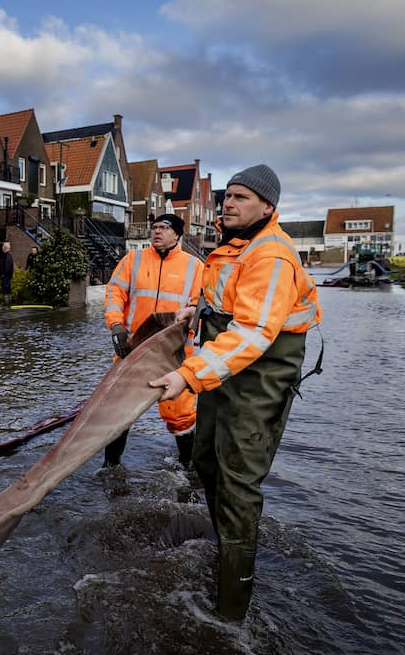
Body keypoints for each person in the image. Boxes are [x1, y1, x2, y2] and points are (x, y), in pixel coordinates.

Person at [149, 164, 321, 623]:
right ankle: (224, 546)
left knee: (239, 482)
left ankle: (231, 612)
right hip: (224, 372)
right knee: (204, 459)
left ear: (268, 207)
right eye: (227, 196)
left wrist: (187, 376)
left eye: (241, 198)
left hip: (259, 378)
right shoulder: (231, 249)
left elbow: (254, 332)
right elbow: (226, 305)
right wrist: (194, 311)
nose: (228, 203)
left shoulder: (272, 256)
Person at [102, 213, 204, 471]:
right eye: (154, 227)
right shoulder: (132, 260)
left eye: (164, 228)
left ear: (177, 235)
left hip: (175, 355)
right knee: (117, 410)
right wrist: (116, 325)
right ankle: (110, 466)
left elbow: (200, 305)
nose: (156, 232)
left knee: (180, 413)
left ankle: (186, 467)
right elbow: (115, 292)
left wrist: (192, 321)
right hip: (132, 349)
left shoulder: (195, 267)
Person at [0, 242, 15, 306]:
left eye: (3, 246)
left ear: (5, 247)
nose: (2, 247)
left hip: (6, 275)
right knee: (7, 288)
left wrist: (3, 273)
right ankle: (8, 302)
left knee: (5, 289)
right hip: (7, 275)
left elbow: (7, 266)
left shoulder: (7, 255)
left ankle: (7, 303)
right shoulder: (8, 255)